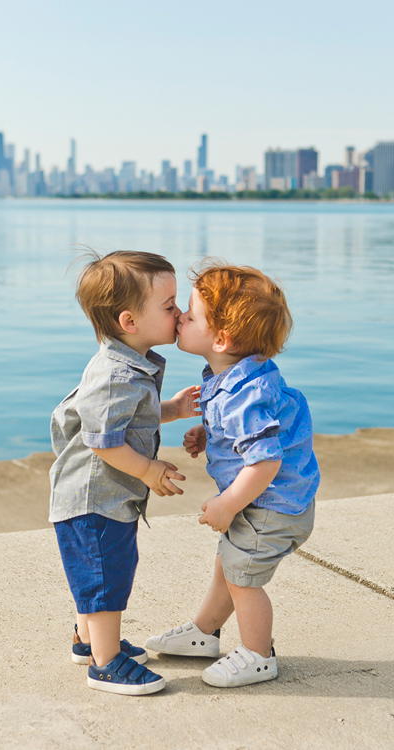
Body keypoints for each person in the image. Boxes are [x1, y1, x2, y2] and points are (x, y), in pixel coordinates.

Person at [146, 262, 319, 688]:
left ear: (221, 339)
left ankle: (259, 655)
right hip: (269, 500)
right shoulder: (239, 377)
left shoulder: (243, 394)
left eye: (189, 313)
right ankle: (204, 633)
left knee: (243, 577)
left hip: (269, 506)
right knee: (229, 562)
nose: (181, 318)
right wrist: (211, 432)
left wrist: (227, 504)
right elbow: (255, 430)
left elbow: (265, 461)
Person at [50, 250, 200, 696]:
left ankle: (87, 641)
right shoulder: (117, 374)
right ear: (129, 321)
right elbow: (104, 441)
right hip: (94, 499)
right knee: (105, 577)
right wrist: (150, 470)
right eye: (170, 306)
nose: (181, 313)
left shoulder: (133, 363)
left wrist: (171, 409)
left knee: (101, 571)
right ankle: (106, 663)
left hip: (104, 497)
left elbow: (129, 419)